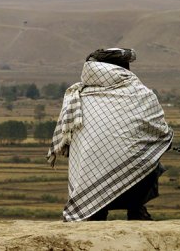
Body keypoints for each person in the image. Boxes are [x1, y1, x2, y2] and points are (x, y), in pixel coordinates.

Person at [47, 48, 173, 222]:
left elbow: (68, 142)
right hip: (133, 188)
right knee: (152, 156)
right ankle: (136, 209)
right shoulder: (142, 94)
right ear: (125, 69)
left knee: (83, 156)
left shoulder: (77, 96)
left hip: (88, 184)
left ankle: (95, 211)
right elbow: (161, 134)